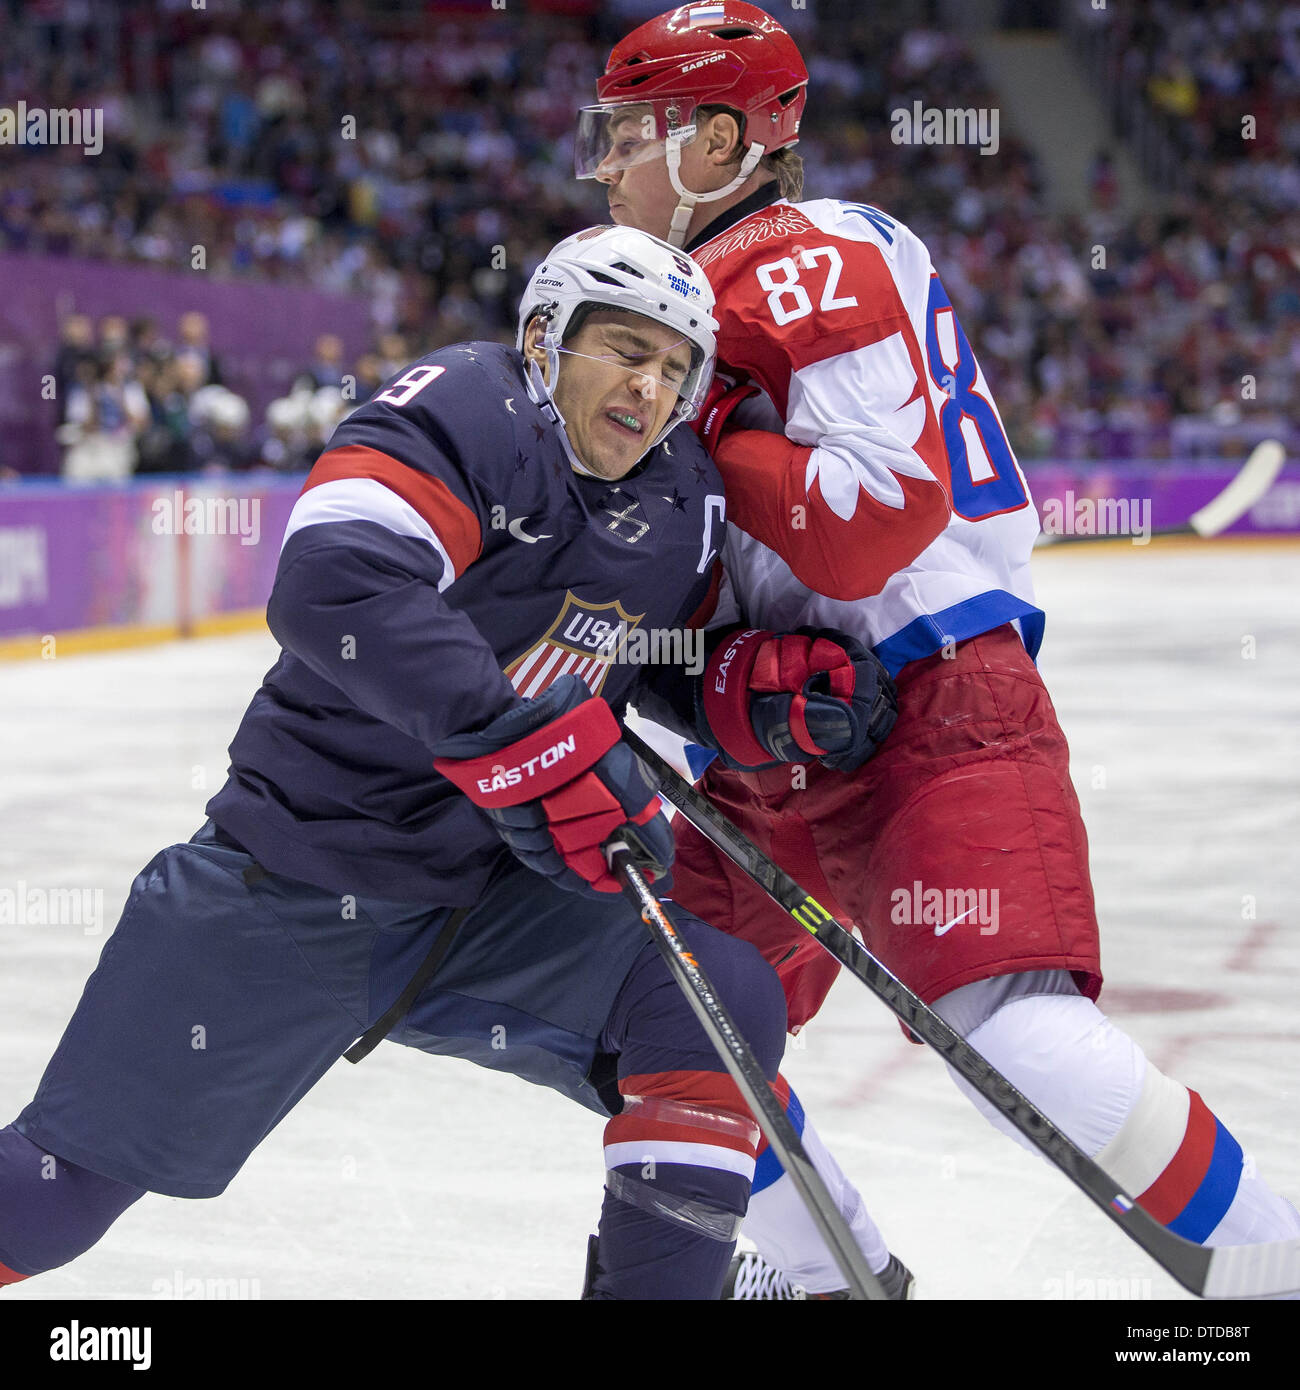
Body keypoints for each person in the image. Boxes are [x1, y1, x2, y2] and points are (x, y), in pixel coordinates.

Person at [0, 224, 896, 1301]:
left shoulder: (679, 499)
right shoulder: (468, 408)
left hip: (492, 909)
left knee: (715, 997)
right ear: (542, 338)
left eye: (674, 367)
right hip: (297, 883)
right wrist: (529, 747)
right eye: (622, 347)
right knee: (48, 1206)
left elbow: (638, 656)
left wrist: (744, 688)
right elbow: (335, 585)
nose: (649, 386)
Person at [580, 4, 1300, 1297]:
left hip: (930, 698)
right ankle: (824, 1267)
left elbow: (867, 527)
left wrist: (696, 433)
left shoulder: (796, 249)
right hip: (785, 732)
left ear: (723, 139)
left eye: (635, 132)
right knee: (663, 1011)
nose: (608, 163)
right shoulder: (707, 285)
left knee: (1014, 1037)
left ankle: (1276, 1260)